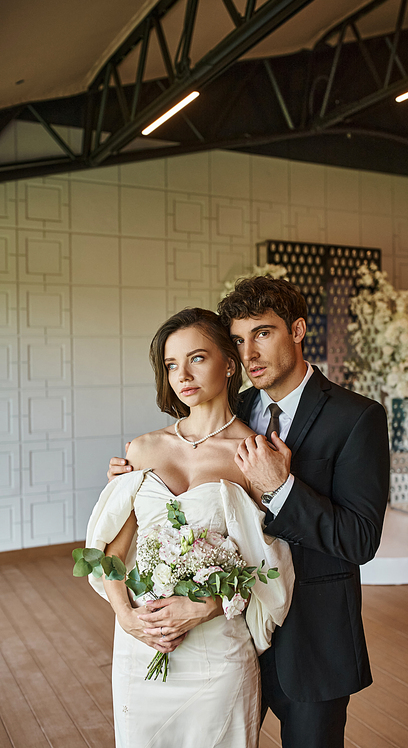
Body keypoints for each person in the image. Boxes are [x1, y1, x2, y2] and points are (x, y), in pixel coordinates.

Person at [109, 276, 390, 748]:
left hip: (312, 639)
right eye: (237, 340)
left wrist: (281, 488)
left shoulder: (356, 417)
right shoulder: (228, 407)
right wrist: (132, 482)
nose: (248, 354)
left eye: (262, 333)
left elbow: (361, 539)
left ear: (297, 330)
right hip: (222, 636)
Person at [88, 307, 294, 748]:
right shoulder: (142, 449)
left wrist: (208, 607)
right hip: (141, 644)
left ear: (229, 363)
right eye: (170, 364)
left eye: (197, 358)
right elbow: (108, 553)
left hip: (216, 654)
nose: (182, 374)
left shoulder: (252, 455)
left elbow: (268, 566)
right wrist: (126, 617)